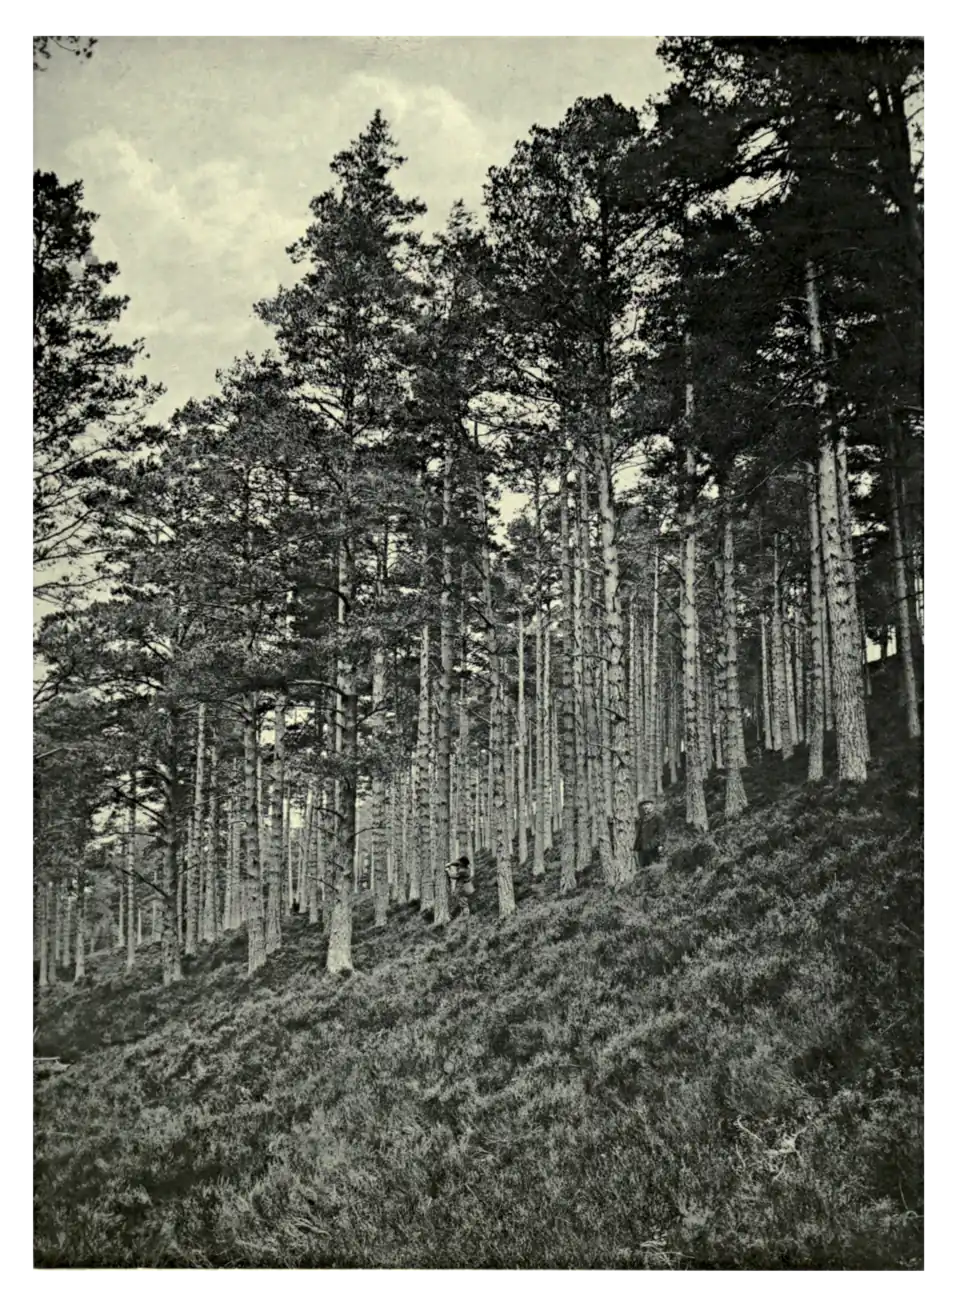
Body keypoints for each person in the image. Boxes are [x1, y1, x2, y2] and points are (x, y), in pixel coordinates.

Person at [634, 799, 665, 871]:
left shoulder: (658, 817)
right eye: (644, 805)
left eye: (647, 804)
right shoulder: (641, 819)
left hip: (653, 847)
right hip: (642, 849)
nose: (645, 807)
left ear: (652, 805)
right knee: (642, 869)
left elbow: (661, 832)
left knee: (654, 868)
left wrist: (660, 845)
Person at [446, 855, 475, 923]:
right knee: (460, 900)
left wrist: (448, 870)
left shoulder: (463, 871)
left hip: (463, 888)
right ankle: (462, 915)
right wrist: (450, 863)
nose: (459, 862)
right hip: (465, 887)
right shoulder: (465, 867)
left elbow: (453, 876)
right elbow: (457, 863)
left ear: (463, 863)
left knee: (463, 902)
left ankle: (466, 917)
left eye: (460, 861)